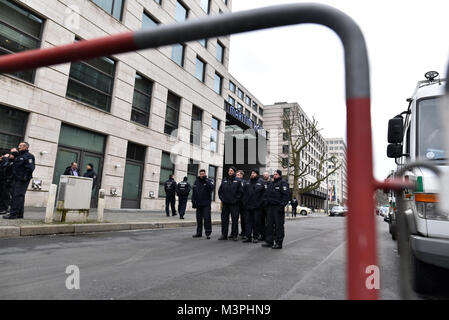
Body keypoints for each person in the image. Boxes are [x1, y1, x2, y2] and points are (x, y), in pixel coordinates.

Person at [3, 142, 35, 220]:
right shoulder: (18, 155)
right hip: (15, 179)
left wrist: (24, 177)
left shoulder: (29, 156)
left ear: (26, 147)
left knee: (17, 196)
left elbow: (30, 168)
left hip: (22, 179)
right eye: (19, 145)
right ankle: (19, 214)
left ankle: (13, 214)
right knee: (19, 196)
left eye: (20, 146)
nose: (18, 147)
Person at [262, 169, 290, 249]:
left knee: (279, 226)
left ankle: (279, 242)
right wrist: (266, 204)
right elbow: (267, 195)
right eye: (274, 174)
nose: (274, 175)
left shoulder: (283, 183)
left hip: (278, 207)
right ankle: (269, 241)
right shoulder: (271, 183)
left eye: (276, 174)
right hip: (270, 207)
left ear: (279, 175)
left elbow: (286, 196)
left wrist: (282, 206)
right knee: (269, 225)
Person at [218, 167, 243, 241]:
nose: (230, 172)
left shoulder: (238, 180)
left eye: (231, 171)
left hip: (234, 204)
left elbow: (240, 192)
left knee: (235, 220)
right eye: (229, 170)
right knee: (224, 220)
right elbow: (220, 191)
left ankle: (234, 235)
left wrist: (235, 200)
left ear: (234, 172)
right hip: (225, 204)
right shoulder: (224, 180)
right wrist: (222, 199)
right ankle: (224, 235)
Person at [242, 169, 265, 243]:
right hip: (248, 206)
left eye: (254, 173)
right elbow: (243, 193)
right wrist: (244, 202)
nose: (252, 174)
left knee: (256, 223)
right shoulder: (247, 182)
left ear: (257, 174)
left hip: (257, 207)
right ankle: (248, 237)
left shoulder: (261, 182)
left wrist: (260, 204)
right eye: (252, 173)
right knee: (248, 222)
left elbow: (264, 195)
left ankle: (255, 237)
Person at [191, 169, 214, 239]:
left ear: (205, 174)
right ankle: (199, 233)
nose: (201, 175)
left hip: (206, 204)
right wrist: (193, 201)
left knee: (207, 218)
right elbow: (194, 192)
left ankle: (208, 233)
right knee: (199, 219)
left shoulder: (209, 180)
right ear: (199, 174)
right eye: (200, 174)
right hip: (198, 204)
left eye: (203, 174)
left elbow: (212, 188)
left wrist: (206, 180)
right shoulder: (196, 181)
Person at [258, 171, 271, 241]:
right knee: (261, 221)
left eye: (266, 175)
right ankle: (262, 235)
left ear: (269, 175)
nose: (265, 176)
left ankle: (268, 236)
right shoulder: (261, 182)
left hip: (268, 206)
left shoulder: (271, 183)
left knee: (268, 222)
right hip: (261, 205)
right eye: (264, 175)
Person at [236, 170, 247, 239]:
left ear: (242, 176)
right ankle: (234, 232)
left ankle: (244, 232)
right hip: (236, 203)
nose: (237, 176)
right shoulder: (234, 182)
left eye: (238, 175)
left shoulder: (244, 182)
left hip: (243, 203)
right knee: (235, 218)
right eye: (236, 175)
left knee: (243, 218)